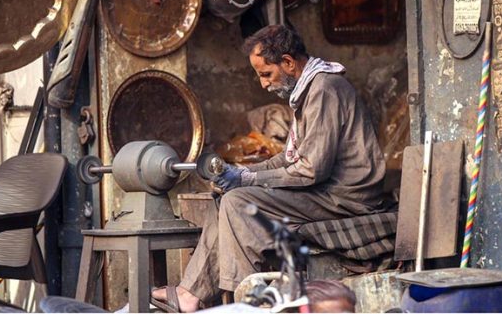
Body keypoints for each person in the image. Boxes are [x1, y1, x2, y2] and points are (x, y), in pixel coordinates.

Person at [151, 24, 387, 313]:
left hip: (346, 198)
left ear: (288, 62)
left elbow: (312, 170)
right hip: (326, 193)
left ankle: (246, 304)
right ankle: (191, 292)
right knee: (225, 197)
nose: (263, 84)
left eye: (266, 74)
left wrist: (248, 180)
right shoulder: (307, 89)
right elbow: (289, 158)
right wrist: (240, 173)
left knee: (239, 203)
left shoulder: (324, 89)